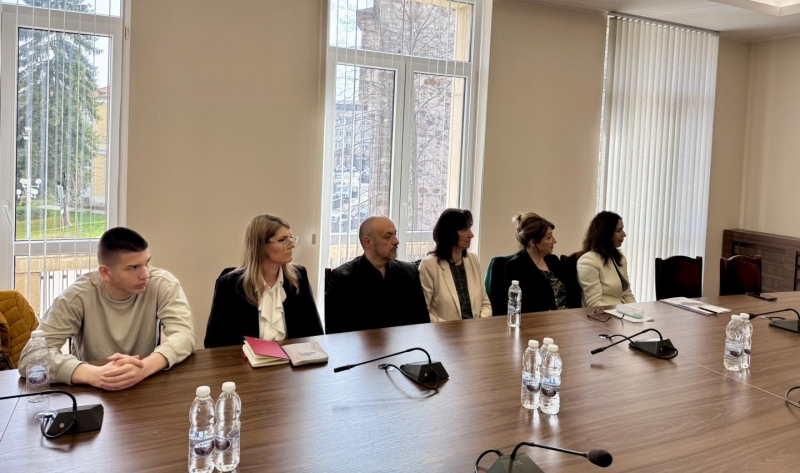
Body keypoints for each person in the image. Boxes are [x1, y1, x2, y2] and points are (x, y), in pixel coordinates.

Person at [18, 227, 196, 391]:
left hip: (145, 384)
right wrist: (95, 374)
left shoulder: (163, 284)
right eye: (133, 268)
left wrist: (145, 367)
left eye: (146, 263)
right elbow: (30, 359)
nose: (145, 274)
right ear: (105, 272)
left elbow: (184, 335)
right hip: (91, 389)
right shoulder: (77, 296)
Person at [204, 214, 323, 348]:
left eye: (291, 239)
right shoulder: (229, 285)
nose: (291, 245)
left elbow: (315, 332)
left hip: (293, 359)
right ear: (260, 245)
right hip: (245, 360)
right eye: (283, 240)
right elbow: (214, 343)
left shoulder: (298, 276)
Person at [325, 216, 429, 334]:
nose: (396, 241)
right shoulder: (343, 278)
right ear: (368, 242)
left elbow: (422, 322)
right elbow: (336, 332)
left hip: (405, 343)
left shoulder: (409, 272)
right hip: (358, 345)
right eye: (388, 236)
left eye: (395, 234)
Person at [419, 209, 491, 322]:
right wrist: (450, 328)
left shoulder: (473, 259)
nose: (471, 235)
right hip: (444, 331)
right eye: (464, 230)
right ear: (449, 233)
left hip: (476, 329)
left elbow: (485, 303)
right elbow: (423, 313)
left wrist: (479, 325)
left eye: (470, 228)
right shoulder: (429, 265)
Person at [502, 212, 569, 313]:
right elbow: (521, 307)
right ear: (533, 242)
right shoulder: (516, 266)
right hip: (540, 320)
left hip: (568, 317)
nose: (554, 241)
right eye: (549, 237)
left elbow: (572, 294)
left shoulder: (553, 260)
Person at [577, 211, 636, 307]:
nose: (624, 234)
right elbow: (594, 304)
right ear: (606, 233)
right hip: (604, 314)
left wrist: (638, 312)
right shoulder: (588, 261)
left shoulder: (620, 258)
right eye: (618, 231)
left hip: (621, 312)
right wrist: (623, 313)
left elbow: (627, 294)